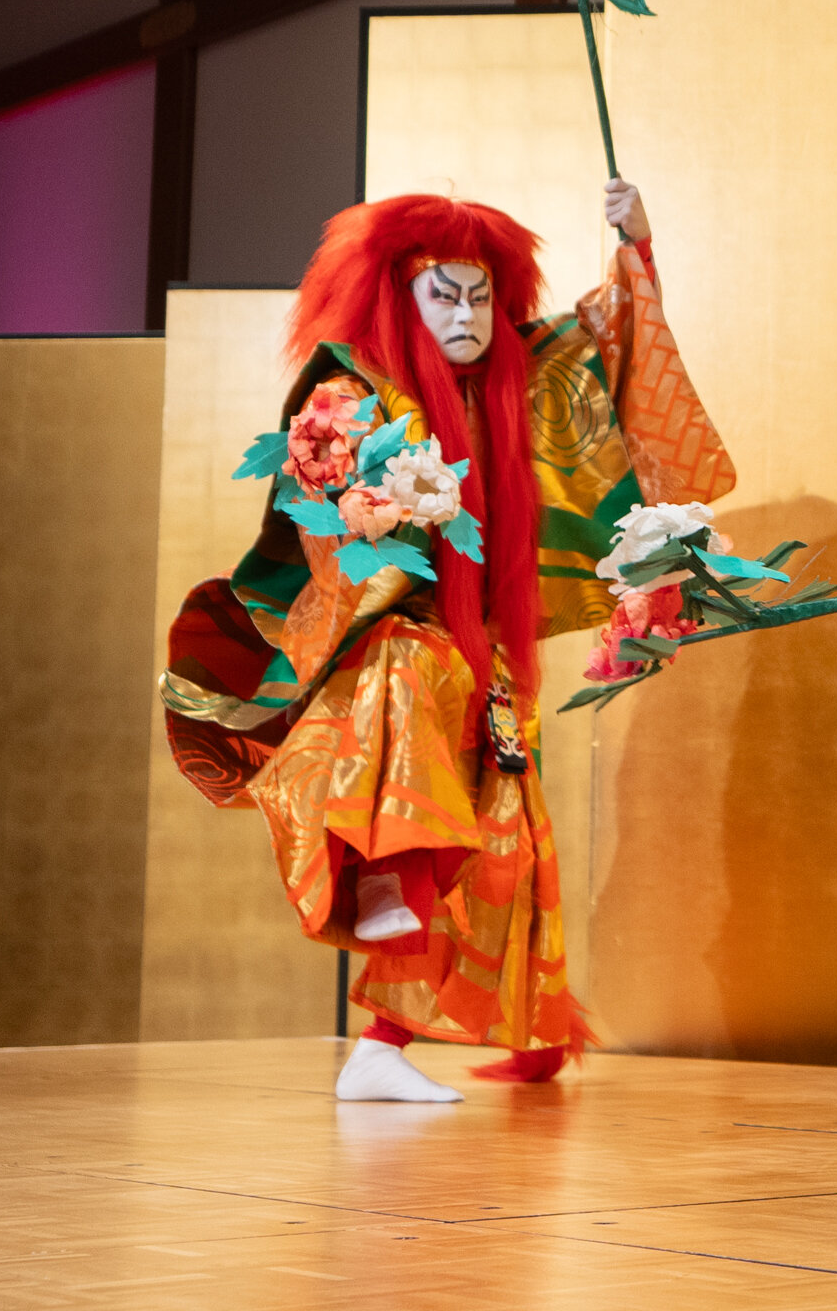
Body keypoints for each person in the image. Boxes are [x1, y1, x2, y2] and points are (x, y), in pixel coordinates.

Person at [159, 179, 734, 1101]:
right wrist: (382, 510)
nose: (466, 313)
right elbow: (315, 518)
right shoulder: (350, 392)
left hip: (488, 652)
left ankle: (395, 1045)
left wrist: (637, 246)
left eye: (479, 295)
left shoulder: (524, 379)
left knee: (500, 831)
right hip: (386, 639)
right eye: (444, 293)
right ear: (401, 295)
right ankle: (385, 873)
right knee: (412, 677)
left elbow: (612, 342)